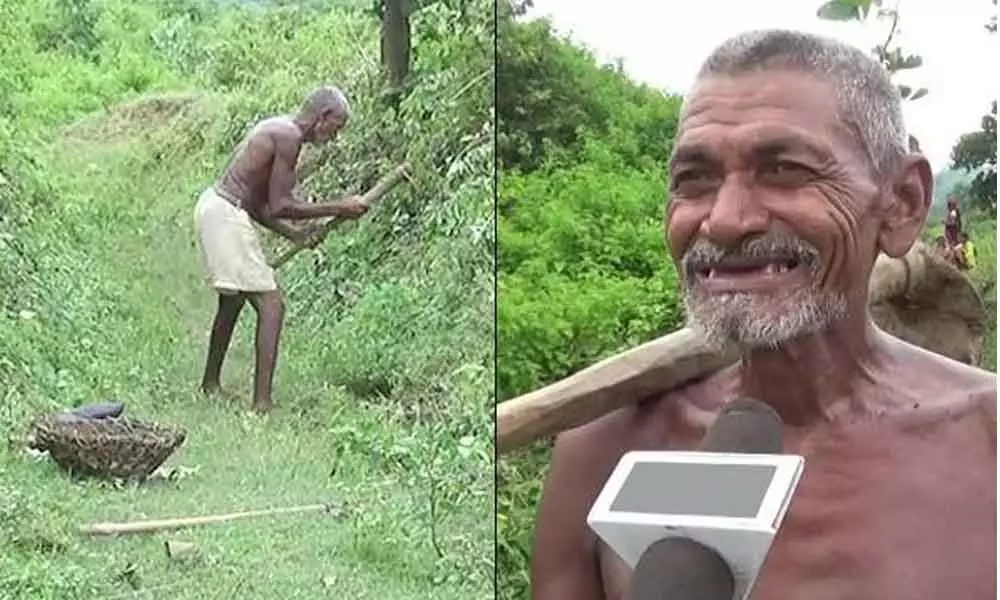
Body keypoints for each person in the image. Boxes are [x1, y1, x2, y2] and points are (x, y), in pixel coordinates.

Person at [530, 30, 996, 600]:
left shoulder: (985, 441)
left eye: (784, 171)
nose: (724, 221)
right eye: (694, 180)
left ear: (900, 203)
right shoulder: (600, 450)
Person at [193, 86, 369, 414]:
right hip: (225, 213)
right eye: (337, 127)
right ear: (323, 117)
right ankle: (261, 404)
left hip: (217, 207)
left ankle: (210, 384)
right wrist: (339, 207)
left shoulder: (280, 129)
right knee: (272, 306)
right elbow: (281, 204)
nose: (335, 137)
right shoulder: (287, 136)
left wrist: (294, 235)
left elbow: (261, 205)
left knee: (232, 303)